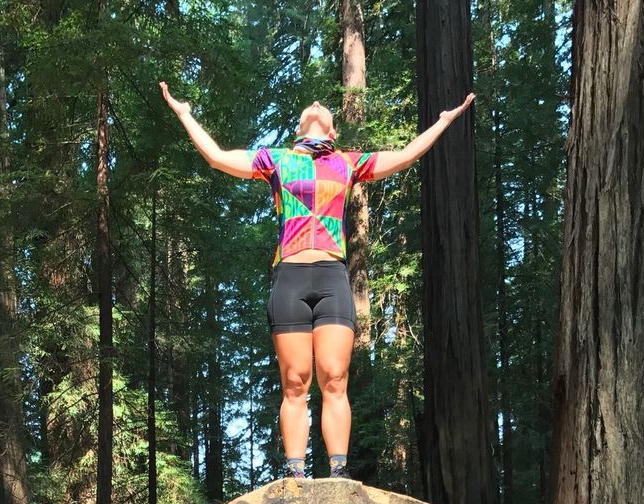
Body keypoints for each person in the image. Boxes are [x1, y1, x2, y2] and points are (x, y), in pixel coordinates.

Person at [159, 82, 474, 481]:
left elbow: (405, 156)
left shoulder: (346, 163)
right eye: (310, 107)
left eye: (325, 108)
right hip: (290, 276)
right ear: (299, 127)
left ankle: (338, 472)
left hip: (331, 277)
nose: (316, 104)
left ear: (331, 129)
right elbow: (218, 158)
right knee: (294, 381)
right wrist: (185, 114)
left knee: (335, 377)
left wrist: (442, 122)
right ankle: (295, 475)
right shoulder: (276, 160)